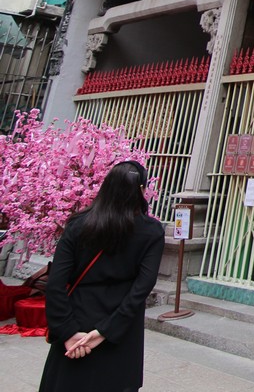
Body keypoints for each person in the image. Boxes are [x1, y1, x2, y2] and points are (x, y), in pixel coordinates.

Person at [39, 160, 165, 392]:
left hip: (76, 318)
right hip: (120, 327)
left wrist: (67, 331)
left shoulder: (78, 224)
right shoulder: (151, 231)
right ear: (141, 191)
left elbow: (55, 283)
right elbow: (141, 288)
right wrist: (106, 331)